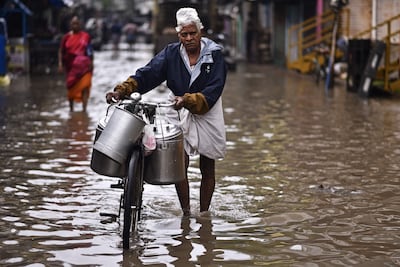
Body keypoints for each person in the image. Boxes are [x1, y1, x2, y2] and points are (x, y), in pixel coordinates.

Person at [106, 7, 227, 217]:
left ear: (201, 32)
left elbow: (214, 89)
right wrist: (121, 90)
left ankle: (204, 214)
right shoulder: (171, 53)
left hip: (207, 108)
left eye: (193, 33)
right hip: (178, 109)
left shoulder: (214, 54)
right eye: (184, 34)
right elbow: (148, 74)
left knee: (207, 165)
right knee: (180, 163)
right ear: (178, 34)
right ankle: (187, 213)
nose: (189, 38)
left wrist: (189, 99)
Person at [58, 16, 93, 112]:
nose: (75, 25)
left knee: (85, 86)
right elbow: (61, 51)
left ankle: (84, 109)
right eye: (73, 23)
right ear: (70, 25)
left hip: (85, 66)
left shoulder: (86, 37)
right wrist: (60, 64)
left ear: (80, 24)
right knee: (71, 86)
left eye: (77, 23)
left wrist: (91, 62)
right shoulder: (66, 37)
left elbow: (89, 50)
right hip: (70, 66)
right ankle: (71, 109)